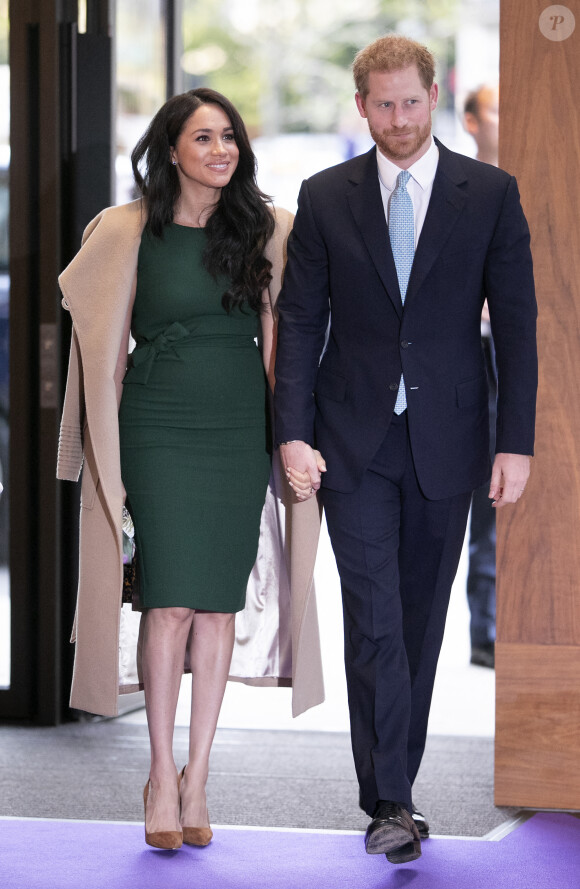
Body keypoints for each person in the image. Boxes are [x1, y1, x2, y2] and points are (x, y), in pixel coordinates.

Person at [275, 35, 537, 865]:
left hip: (448, 440)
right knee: (376, 618)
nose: (397, 119)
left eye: (410, 103)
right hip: (352, 440)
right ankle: (389, 799)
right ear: (361, 106)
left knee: (421, 621)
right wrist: (291, 431)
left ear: (434, 96)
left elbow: (520, 328)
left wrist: (515, 443)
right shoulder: (324, 197)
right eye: (381, 105)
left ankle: (399, 782)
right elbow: (301, 322)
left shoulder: (490, 193)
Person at [57, 88, 324, 851]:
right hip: (156, 427)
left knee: (217, 606)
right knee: (168, 603)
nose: (220, 149)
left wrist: (290, 441)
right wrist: (98, 457)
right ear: (169, 148)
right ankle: (158, 775)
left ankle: (199, 775)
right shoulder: (126, 229)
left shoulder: (269, 230)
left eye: (230, 136)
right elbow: (103, 352)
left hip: (237, 429)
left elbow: (285, 349)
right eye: (203, 137)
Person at [463, 84, 500, 668]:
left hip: (512, 356)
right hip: (467, 357)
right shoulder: (458, 188)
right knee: (480, 501)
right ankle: (486, 628)